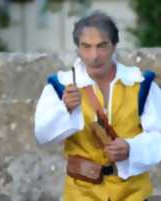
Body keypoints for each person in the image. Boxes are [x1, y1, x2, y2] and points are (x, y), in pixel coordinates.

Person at [34, 11, 161, 201]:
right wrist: (65, 109)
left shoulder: (140, 84)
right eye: (86, 47)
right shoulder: (60, 85)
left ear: (114, 46)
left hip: (132, 193)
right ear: (78, 49)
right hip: (81, 193)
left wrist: (131, 148)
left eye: (102, 46)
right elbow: (42, 136)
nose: (94, 56)